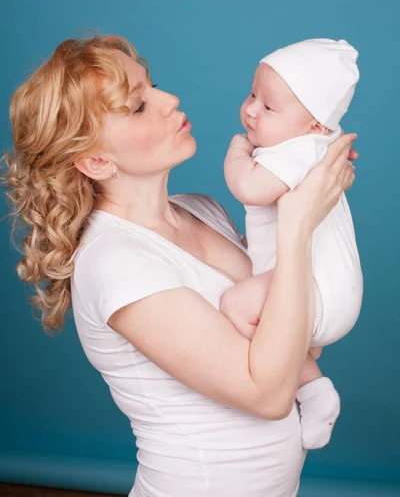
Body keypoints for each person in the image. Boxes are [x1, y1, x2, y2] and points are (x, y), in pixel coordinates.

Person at [1, 35, 357, 497]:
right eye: (138, 106)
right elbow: (268, 394)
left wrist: (306, 173)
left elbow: (293, 341)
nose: (170, 101)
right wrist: (299, 225)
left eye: (155, 87)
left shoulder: (202, 210)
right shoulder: (115, 261)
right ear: (94, 160)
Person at [223, 39, 363, 451]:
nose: (250, 109)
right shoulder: (318, 142)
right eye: (252, 94)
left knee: (236, 305)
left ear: (314, 126)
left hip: (313, 295)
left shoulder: (296, 151)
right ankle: (306, 369)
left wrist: (237, 151)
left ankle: (314, 390)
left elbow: (249, 187)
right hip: (334, 293)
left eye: (268, 107)